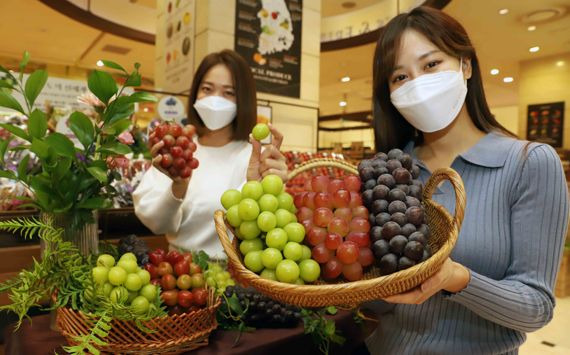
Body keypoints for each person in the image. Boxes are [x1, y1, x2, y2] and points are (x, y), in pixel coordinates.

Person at [365, 6, 569, 354]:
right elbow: (374, 305)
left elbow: (535, 306)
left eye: (431, 65)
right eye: (400, 77)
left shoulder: (528, 164)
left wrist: (456, 279)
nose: (417, 84)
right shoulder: (387, 175)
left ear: (466, 65)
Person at [133, 50, 288, 259]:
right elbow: (155, 222)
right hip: (180, 275)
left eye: (229, 92)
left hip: (237, 281)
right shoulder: (178, 152)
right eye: (207, 89)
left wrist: (261, 188)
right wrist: (178, 187)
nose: (216, 100)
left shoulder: (255, 159)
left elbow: (265, 232)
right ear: (196, 92)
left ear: (243, 99)